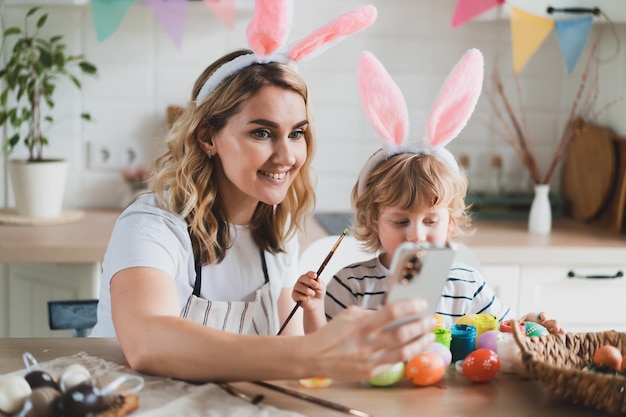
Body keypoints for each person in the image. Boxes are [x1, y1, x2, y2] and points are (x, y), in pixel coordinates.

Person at [90, 2, 438, 383]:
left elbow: (284, 355)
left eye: (297, 133)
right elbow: (148, 344)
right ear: (208, 137)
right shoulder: (152, 226)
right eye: (261, 133)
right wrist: (316, 353)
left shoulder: (277, 232)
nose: (287, 156)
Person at [293, 49, 563, 335]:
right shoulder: (351, 284)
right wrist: (313, 308)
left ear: (450, 222)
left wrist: (534, 322)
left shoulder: (467, 285)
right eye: (400, 221)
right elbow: (321, 348)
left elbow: (508, 329)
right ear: (374, 220)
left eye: (431, 221)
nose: (417, 235)